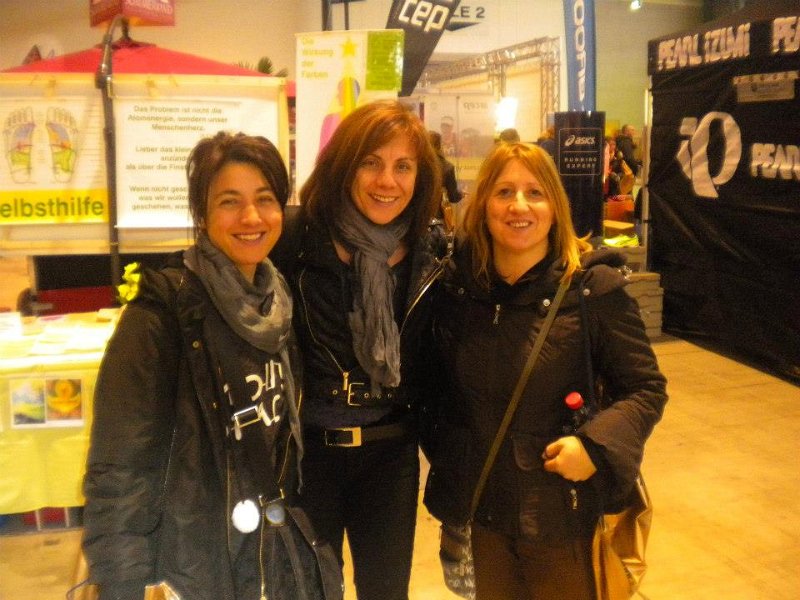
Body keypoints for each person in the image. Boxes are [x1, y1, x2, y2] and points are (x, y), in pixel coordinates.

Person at [82, 132, 341, 600]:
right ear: (201, 215)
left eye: (265, 199)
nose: (251, 217)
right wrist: (121, 584)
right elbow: (119, 467)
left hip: (265, 556)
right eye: (229, 202)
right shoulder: (160, 316)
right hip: (193, 563)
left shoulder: (280, 304)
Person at [423, 142, 667, 599]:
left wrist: (594, 446)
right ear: (484, 206)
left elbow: (645, 389)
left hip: (561, 520)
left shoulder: (592, 290)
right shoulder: (459, 291)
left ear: (555, 207)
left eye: (535, 193)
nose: (519, 206)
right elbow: (437, 392)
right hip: (483, 517)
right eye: (504, 192)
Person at [271, 99, 444, 600]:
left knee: (387, 592)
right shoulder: (297, 237)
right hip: (308, 457)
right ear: (344, 165)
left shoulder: (430, 250)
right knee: (310, 591)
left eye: (403, 166)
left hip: (390, 455)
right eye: (371, 162)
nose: (387, 181)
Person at [429, 130, 463, 205]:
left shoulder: (416, 164)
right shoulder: (448, 167)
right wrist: (461, 194)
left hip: (414, 211)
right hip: (436, 210)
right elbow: (453, 197)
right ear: (439, 145)